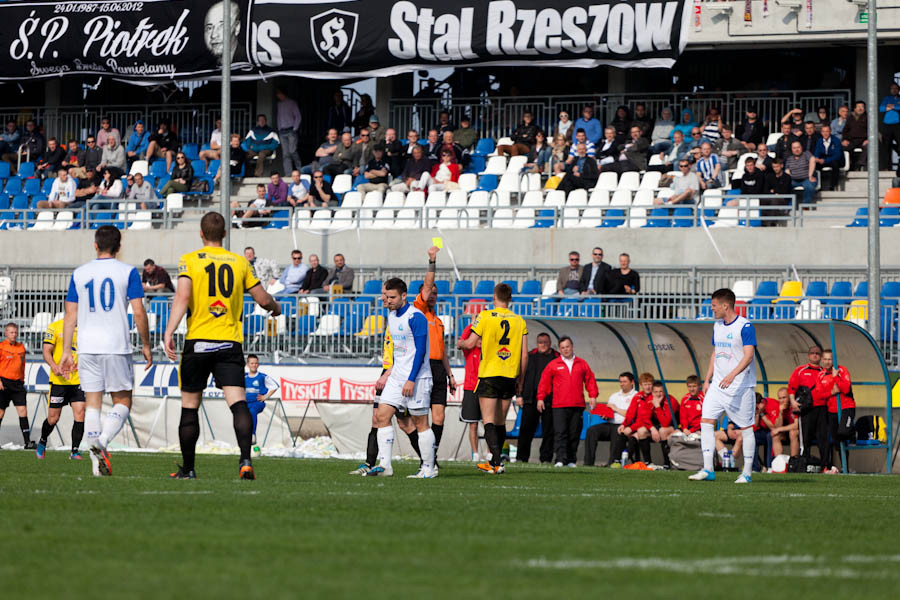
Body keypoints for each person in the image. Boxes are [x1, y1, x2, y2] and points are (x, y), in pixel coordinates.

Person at [163, 212, 281, 480]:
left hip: (198, 341)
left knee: (190, 406)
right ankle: (245, 460)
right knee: (238, 403)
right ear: (225, 234)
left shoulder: (189, 260)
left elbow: (182, 296)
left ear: (201, 234)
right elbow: (263, 299)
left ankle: (189, 469)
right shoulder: (240, 262)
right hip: (229, 342)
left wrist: (169, 330)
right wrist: (276, 307)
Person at [60, 226, 152, 477]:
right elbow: (138, 311)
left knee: (92, 403)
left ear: (95, 245)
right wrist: (146, 344)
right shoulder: (128, 271)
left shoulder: (80, 273)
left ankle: (96, 466)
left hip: (87, 347)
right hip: (116, 345)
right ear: (119, 247)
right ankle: (103, 440)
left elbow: (70, 315)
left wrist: (67, 350)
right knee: (123, 401)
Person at [367, 277, 436, 478]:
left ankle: (428, 468)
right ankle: (385, 465)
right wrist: (390, 373)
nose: (387, 300)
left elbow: (421, 352)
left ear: (404, 296)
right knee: (381, 416)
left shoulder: (416, 317)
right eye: (385, 296)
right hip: (397, 377)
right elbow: (399, 352)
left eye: (391, 297)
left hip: (417, 378)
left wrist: (411, 379)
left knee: (420, 423)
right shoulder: (391, 315)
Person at [689, 288, 758, 483]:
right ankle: (708, 469)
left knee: (746, 429)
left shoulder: (745, 326)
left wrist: (732, 375)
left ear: (725, 305)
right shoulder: (717, 325)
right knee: (706, 422)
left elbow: (748, 356)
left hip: (741, 388)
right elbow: (715, 352)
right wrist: (707, 379)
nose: (711, 309)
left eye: (714, 306)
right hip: (718, 387)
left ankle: (747, 473)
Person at [460, 283, 528, 474]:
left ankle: (496, 462)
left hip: (489, 373)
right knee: (500, 422)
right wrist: (521, 380)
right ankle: (496, 462)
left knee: (488, 420)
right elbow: (524, 355)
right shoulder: (519, 320)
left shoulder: (485, 316)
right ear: (510, 298)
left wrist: (460, 343)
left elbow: (470, 343)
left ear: (494, 297)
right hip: (509, 375)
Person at [350, 319, 424, 475]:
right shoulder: (392, 320)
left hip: (398, 375)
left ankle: (428, 462)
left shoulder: (406, 322)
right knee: (376, 418)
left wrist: (387, 375)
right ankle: (369, 464)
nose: (386, 304)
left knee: (405, 424)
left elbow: (406, 355)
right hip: (387, 371)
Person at [410, 247, 456, 469]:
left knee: (439, 418)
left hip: (438, 369)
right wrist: (432, 262)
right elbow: (427, 286)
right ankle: (426, 460)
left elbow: (443, 350)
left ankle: (431, 458)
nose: (432, 295)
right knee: (422, 419)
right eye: (430, 292)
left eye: (435, 293)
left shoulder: (438, 320)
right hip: (423, 367)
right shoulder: (419, 311)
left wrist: (450, 375)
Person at [537, 336, 598, 468]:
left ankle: (571, 460)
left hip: (577, 405)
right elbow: (544, 382)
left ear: (572, 347)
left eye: (567, 347)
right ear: (560, 349)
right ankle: (560, 459)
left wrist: (593, 396)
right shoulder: (553, 364)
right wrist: (540, 398)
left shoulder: (582, 363)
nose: (565, 349)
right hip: (559, 405)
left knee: (574, 433)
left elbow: (590, 380)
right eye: (562, 347)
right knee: (560, 433)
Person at [36, 317, 86, 460]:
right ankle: (43, 440)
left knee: (80, 414)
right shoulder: (55, 327)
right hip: (59, 381)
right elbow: (46, 351)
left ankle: (74, 451)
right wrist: (54, 366)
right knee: (53, 419)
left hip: (78, 380)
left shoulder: (86, 328)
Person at [517, 333, 559, 464]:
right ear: (537, 343)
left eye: (545, 342)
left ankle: (546, 458)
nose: (543, 345)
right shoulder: (530, 356)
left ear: (550, 343)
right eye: (540, 342)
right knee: (526, 429)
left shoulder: (557, 357)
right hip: (530, 398)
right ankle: (521, 458)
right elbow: (520, 376)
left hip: (550, 399)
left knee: (549, 430)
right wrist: (519, 395)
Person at [584, 372, 637, 467]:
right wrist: (605, 415)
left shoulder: (636, 396)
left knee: (617, 432)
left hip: (625, 425)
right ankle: (588, 463)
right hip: (610, 423)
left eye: (624, 382)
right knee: (591, 430)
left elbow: (632, 414)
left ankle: (612, 463)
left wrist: (615, 408)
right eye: (620, 382)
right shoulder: (614, 395)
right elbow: (609, 411)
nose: (622, 384)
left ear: (632, 382)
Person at [813, 349, 853, 473]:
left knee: (842, 433)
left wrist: (836, 378)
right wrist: (831, 392)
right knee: (836, 441)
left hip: (846, 408)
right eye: (825, 359)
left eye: (829, 359)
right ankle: (843, 468)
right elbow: (818, 395)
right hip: (831, 410)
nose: (827, 362)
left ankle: (852, 433)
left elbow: (846, 389)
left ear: (834, 360)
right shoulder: (821, 375)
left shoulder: (842, 371)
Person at [0, 323, 34, 449]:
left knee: (23, 411)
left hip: (18, 384)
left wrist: (22, 380)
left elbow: (22, 365)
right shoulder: (1, 347)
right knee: (0, 412)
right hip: (3, 383)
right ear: (5, 333)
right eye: (11, 332)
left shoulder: (21, 348)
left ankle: (27, 442)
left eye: (15, 332)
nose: (14, 334)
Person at [457, 324, 483, 461]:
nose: (479, 341)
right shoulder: (469, 351)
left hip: (486, 389)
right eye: (477, 338)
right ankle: (475, 454)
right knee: (473, 423)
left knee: (489, 423)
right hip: (471, 389)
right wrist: (474, 324)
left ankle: (490, 452)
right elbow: (462, 339)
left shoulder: (488, 352)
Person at [617, 373, 655, 463]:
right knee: (623, 432)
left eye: (649, 384)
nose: (648, 387)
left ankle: (647, 462)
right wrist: (624, 424)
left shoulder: (654, 397)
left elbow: (646, 418)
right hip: (639, 426)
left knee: (637, 433)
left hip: (651, 426)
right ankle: (617, 460)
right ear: (641, 385)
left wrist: (631, 428)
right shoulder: (638, 396)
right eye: (645, 384)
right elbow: (630, 413)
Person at [244, 354, 278, 455]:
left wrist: (265, 396)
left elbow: (275, 386)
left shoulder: (262, 377)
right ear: (248, 365)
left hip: (257, 403)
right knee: (242, 418)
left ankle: (253, 434)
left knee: (252, 411)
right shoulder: (243, 376)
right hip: (246, 403)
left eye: (256, 363)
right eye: (252, 363)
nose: (254, 365)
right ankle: (245, 439)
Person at [276, 89, 302, 175]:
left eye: (279, 93)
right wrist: (279, 128)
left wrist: (295, 128)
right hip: (282, 131)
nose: (278, 95)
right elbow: (279, 117)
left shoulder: (292, 103)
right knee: (285, 154)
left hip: (291, 130)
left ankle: (299, 170)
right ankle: (288, 174)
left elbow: (298, 116)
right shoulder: (279, 104)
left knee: (292, 151)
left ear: (283, 93)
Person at [752, 392, 779, 471]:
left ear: (762, 402)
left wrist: (762, 414)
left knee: (770, 435)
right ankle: (755, 468)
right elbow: (755, 427)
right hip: (763, 431)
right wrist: (757, 414)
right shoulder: (754, 408)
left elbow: (773, 427)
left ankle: (769, 466)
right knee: (752, 437)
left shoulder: (773, 404)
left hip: (777, 431)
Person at [785, 141, 817, 206]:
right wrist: (788, 179)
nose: (796, 149)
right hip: (793, 180)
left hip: (806, 179)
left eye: (798, 147)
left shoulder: (806, 154)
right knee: (785, 186)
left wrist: (810, 175)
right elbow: (787, 170)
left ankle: (805, 205)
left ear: (801, 148)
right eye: (794, 148)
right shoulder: (789, 158)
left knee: (810, 187)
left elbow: (812, 159)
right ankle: (789, 206)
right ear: (792, 149)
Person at [770, 386, 799, 457]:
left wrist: (779, 429)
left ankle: (794, 460)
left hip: (798, 432)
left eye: (784, 397)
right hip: (786, 433)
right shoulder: (779, 407)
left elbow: (796, 425)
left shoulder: (794, 406)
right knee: (775, 435)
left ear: (789, 397)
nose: (782, 400)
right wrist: (780, 412)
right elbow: (777, 426)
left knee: (792, 432)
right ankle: (779, 461)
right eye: (780, 398)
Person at [813, 124, 844, 191]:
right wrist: (817, 158)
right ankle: (817, 185)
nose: (825, 133)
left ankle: (832, 186)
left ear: (830, 132)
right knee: (815, 165)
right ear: (821, 132)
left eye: (827, 131)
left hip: (835, 160)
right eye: (823, 131)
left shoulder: (836, 140)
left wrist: (825, 160)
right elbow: (817, 152)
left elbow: (837, 156)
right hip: (824, 159)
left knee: (835, 165)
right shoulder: (820, 141)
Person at [842, 101, 868, 170]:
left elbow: (871, 130)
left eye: (862, 107)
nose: (860, 108)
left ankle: (860, 164)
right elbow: (845, 130)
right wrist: (844, 139)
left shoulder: (868, 118)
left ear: (864, 109)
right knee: (843, 147)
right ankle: (848, 166)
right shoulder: (850, 118)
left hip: (863, 140)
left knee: (869, 147)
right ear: (855, 109)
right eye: (858, 107)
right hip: (852, 140)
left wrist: (868, 139)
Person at [879, 82, 900, 170]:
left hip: (898, 125)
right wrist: (896, 106)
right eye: (892, 88)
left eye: (896, 88)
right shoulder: (887, 98)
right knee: (886, 146)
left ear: (898, 90)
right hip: (887, 125)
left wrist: (892, 106)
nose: (894, 90)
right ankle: (887, 166)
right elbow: (881, 108)